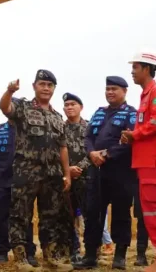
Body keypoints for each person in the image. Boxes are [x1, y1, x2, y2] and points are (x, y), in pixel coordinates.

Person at [0, 69, 72, 272]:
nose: (46, 88)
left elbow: (63, 147)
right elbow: (5, 108)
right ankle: (21, 259)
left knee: (51, 217)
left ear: (54, 88)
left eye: (50, 85)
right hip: (27, 172)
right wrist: (9, 91)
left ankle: (51, 258)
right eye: (42, 84)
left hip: (52, 175)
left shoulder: (57, 117)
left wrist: (67, 173)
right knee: (20, 215)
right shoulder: (23, 108)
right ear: (34, 86)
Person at [74, 76, 142, 270]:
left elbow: (130, 142)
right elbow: (88, 137)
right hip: (97, 172)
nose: (110, 92)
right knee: (93, 213)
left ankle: (119, 256)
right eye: (108, 89)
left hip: (121, 173)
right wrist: (91, 153)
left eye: (114, 89)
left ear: (124, 91)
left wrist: (106, 154)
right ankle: (90, 255)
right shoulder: (99, 113)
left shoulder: (131, 114)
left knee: (121, 213)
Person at [121, 50, 156, 271]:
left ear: (147, 69)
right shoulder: (146, 95)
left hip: (154, 160)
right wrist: (131, 136)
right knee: (151, 207)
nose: (132, 72)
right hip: (146, 160)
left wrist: (135, 134)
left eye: (135, 67)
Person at [0, 121, 40, 266]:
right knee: (1, 217)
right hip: (3, 182)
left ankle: (29, 253)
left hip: (24, 182)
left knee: (25, 217)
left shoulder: (30, 129)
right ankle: (2, 252)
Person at [61, 92, 90, 263]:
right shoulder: (59, 128)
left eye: (73, 104)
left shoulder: (90, 127)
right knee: (67, 217)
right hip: (66, 180)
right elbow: (54, 152)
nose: (69, 107)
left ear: (81, 107)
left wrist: (80, 167)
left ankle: (92, 252)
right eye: (67, 105)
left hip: (87, 178)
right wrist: (67, 170)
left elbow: (95, 149)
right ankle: (73, 251)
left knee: (89, 216)